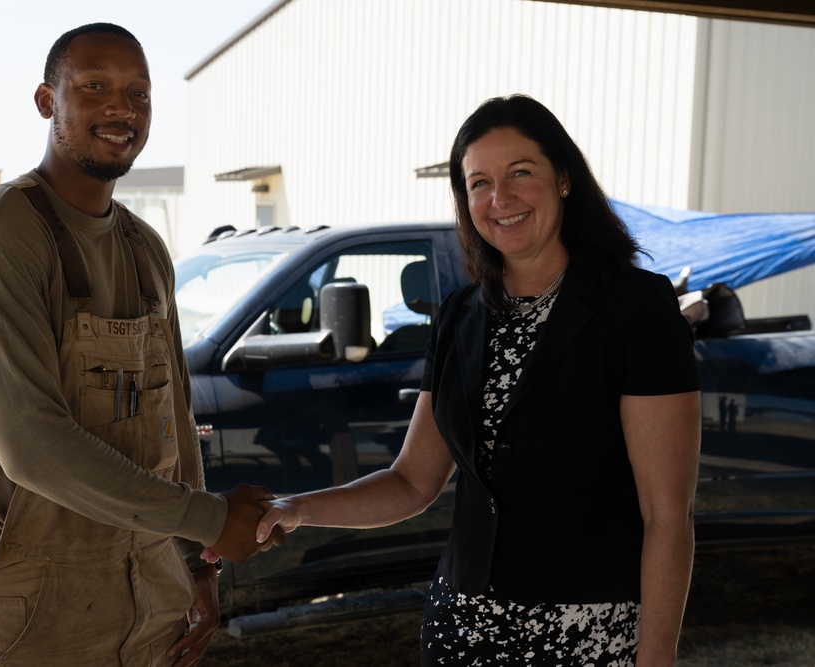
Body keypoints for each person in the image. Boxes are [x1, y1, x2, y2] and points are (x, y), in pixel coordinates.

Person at [254, 94, 701, 665]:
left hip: (590, 632)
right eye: (479, 183)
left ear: (564, 178)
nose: (500, 199)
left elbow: (667, 517)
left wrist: (656, 656)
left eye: (521, 173)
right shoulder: (460, 315)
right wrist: (297, 508)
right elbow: (413, 482)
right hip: (462, 629)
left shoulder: (636, 308)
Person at [0, 23, 280, 667]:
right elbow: (33, 447)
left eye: (139, 94)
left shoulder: (144, 249)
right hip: (40, 609)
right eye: (95, 87)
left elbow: (173, 416)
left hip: (151, 594)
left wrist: (196, 564)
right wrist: (207, 519)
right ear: (47, 101)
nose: (123, 109)